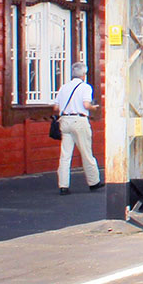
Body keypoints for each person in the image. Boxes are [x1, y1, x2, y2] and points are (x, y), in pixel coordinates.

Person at [52, 62, 102, 195]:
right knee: (86, 152)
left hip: (65, 120)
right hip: (79, 120)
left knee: (65, 155)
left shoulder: (64, 87)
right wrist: (93, 107)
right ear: (83, 75)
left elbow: (56, 107)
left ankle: (63, 185)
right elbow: (86, 105)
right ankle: (93, 182)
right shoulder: (85, 87)